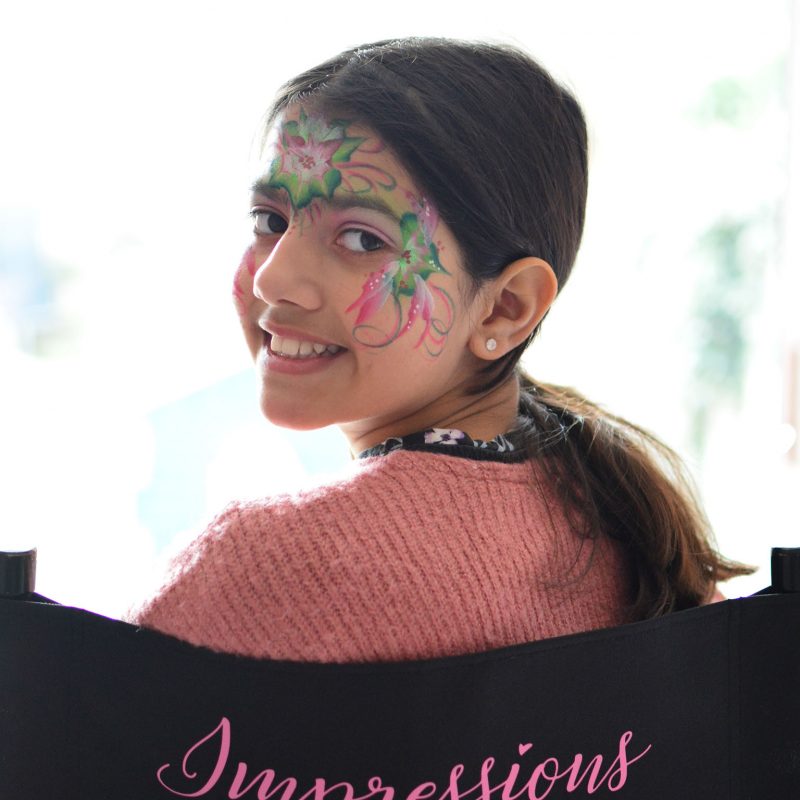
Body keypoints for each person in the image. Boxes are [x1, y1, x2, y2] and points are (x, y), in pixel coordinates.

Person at [124, 37, 752, 663]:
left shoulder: (258, 571)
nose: (273, 279)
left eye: (362, 239)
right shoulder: (634, 540)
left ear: (507, 307)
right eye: (270, 220)